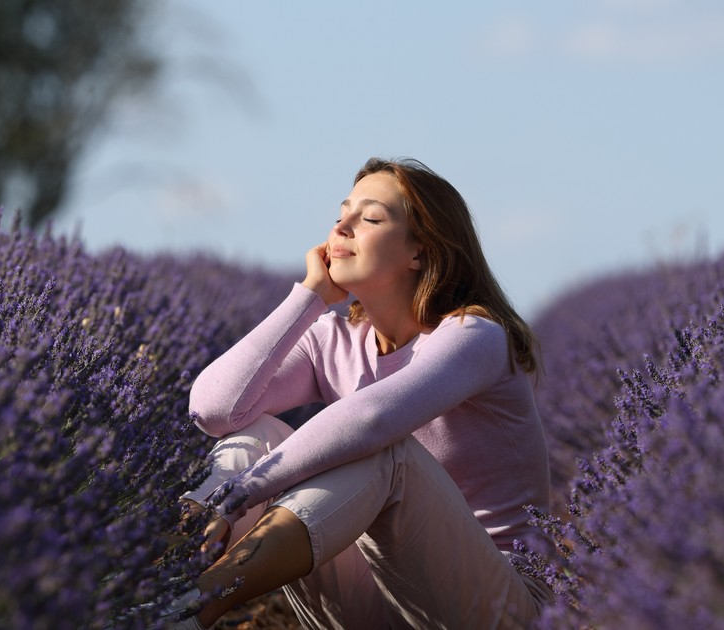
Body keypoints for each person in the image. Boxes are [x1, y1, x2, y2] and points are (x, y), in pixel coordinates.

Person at [169, 157, 553, 629]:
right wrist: (307, 295)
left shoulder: (474, 335)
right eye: (340, 215)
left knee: (381, 451)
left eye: (369, 218)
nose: (342, 227)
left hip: (499, 608)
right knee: (259, 432)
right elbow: (215, 410)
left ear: (419, 251)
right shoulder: (335, 338)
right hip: (380, 598)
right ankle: (163, 577)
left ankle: (189, 606)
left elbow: (371, 419)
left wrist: (240, 495)